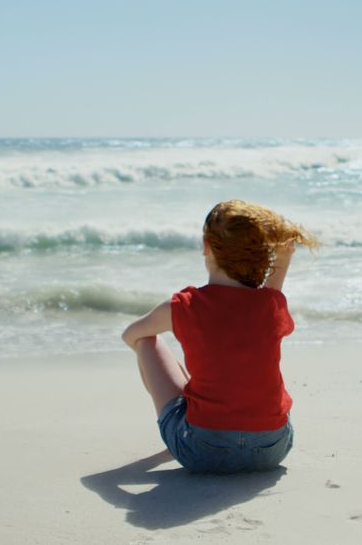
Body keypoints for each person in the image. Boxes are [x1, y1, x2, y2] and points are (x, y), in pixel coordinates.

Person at [121, 200, 317, 474]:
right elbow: (272, 290)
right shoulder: (270, 305)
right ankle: (198, 406)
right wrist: (284, 259)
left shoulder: (184, 306)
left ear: (206, 247)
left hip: (203, 451)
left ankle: (181, 426)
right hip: (272, 448)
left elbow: (129, 335)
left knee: (146, 340)